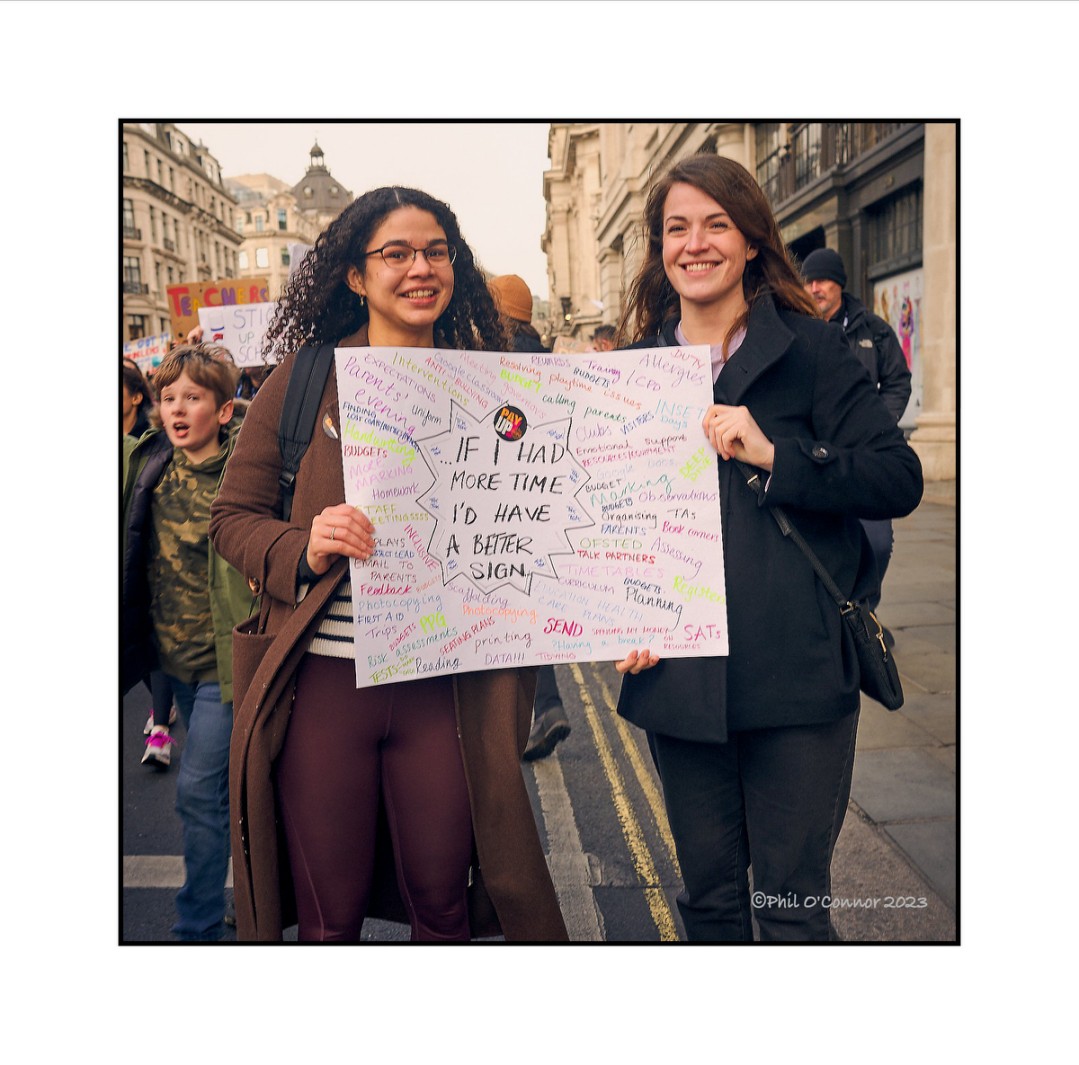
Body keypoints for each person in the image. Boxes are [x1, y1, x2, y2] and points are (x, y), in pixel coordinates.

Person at [209, 187, 568, 943]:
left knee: (442, 907)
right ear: (355, 276)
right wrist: (300, 544)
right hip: (326, 687)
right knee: (328, 918)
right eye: (395, 253)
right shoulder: (305, 380)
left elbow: (546, 515)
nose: (419, 268)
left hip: (443, 689)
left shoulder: (493, 381)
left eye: (435, 251)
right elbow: (232, 518)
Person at [613, 154, 923, 941]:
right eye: (676, 227)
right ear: (658, 247)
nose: (695, 242)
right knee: (710, 906)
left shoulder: (812, 352)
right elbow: (604, 527)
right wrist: (614, 620)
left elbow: (897, 478)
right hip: (679, 683)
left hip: (797, 678)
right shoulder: (629, 375)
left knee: (789, 913)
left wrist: (777, 455)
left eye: (716, 223)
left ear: (752, 240)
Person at [122, 345, 258, 939]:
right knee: (227, 797)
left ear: (224, 411)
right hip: (164, 665)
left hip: (220, 673)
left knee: (200, 795)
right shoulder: (148, 464)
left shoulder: (245, 476)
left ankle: (197, 925)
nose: (176, 408)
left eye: (192, 398)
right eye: (167, 396)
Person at [801, 247, 912, 625]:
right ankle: (838, 617)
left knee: (877, 543)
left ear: (840, 284)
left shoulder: (874, 329)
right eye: (809, 281)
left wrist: (879, 423)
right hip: (817, 456)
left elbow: (898, 379)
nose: (814, 288)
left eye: (822, 281)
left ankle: (865, 612)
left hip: (866, 456)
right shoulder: (798, 328)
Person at [487, 274, 573, 762]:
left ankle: (526, 717)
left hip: (502, 510)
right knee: (532, 615)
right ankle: (548, 706)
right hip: (547, 506)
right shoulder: (549, 364)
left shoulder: (492, 365)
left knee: (503, 622)